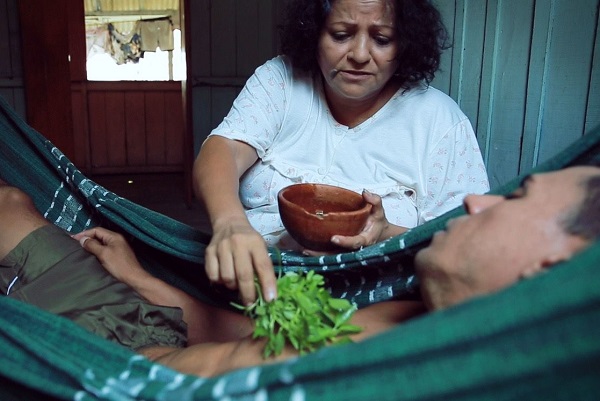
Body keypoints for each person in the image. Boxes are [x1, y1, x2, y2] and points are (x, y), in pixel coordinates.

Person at [1, 166, 598, 378]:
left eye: (516, 201)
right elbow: (244, 338)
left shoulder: (430, 375)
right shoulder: (406, 314)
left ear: (557, 269)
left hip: (84, 363)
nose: (477, 200)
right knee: (11, 204)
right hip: (137, 333)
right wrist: (142, 279)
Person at [192, 0, 490, 306]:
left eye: (382, 39)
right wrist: (231, 222)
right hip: (250, 284)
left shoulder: (439, 120)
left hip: (371, 305)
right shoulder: (280, 81)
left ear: (406, 42)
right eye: (340, 35)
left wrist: (384, 231)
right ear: (314, 32)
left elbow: (464, 242)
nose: (360, 55)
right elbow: (222, 149)